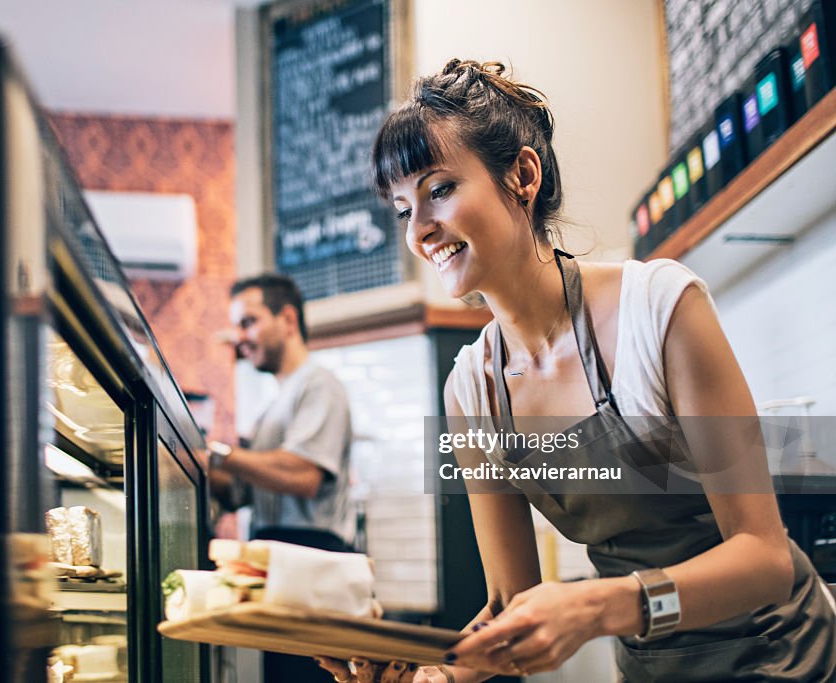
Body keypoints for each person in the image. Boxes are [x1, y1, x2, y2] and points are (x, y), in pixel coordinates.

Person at [318, 59, 836, 683]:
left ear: (523, 175)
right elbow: (510, 604)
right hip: (651, 668)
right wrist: (435, 671)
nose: (421, 231)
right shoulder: (473, 390)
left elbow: (765, 561)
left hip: (785, 656)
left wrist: (601, 605)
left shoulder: (660, 309)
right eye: (403, 210)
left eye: (440, 189)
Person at [204, 273, 355, 682]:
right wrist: (187, 461)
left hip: (311, 561)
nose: (239, 338)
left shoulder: (319, 385)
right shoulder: (274, 405)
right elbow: (238, 492)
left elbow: (303, 475)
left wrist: (222, 455)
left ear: (288, 320)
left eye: (248, 322)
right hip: (278, 560)